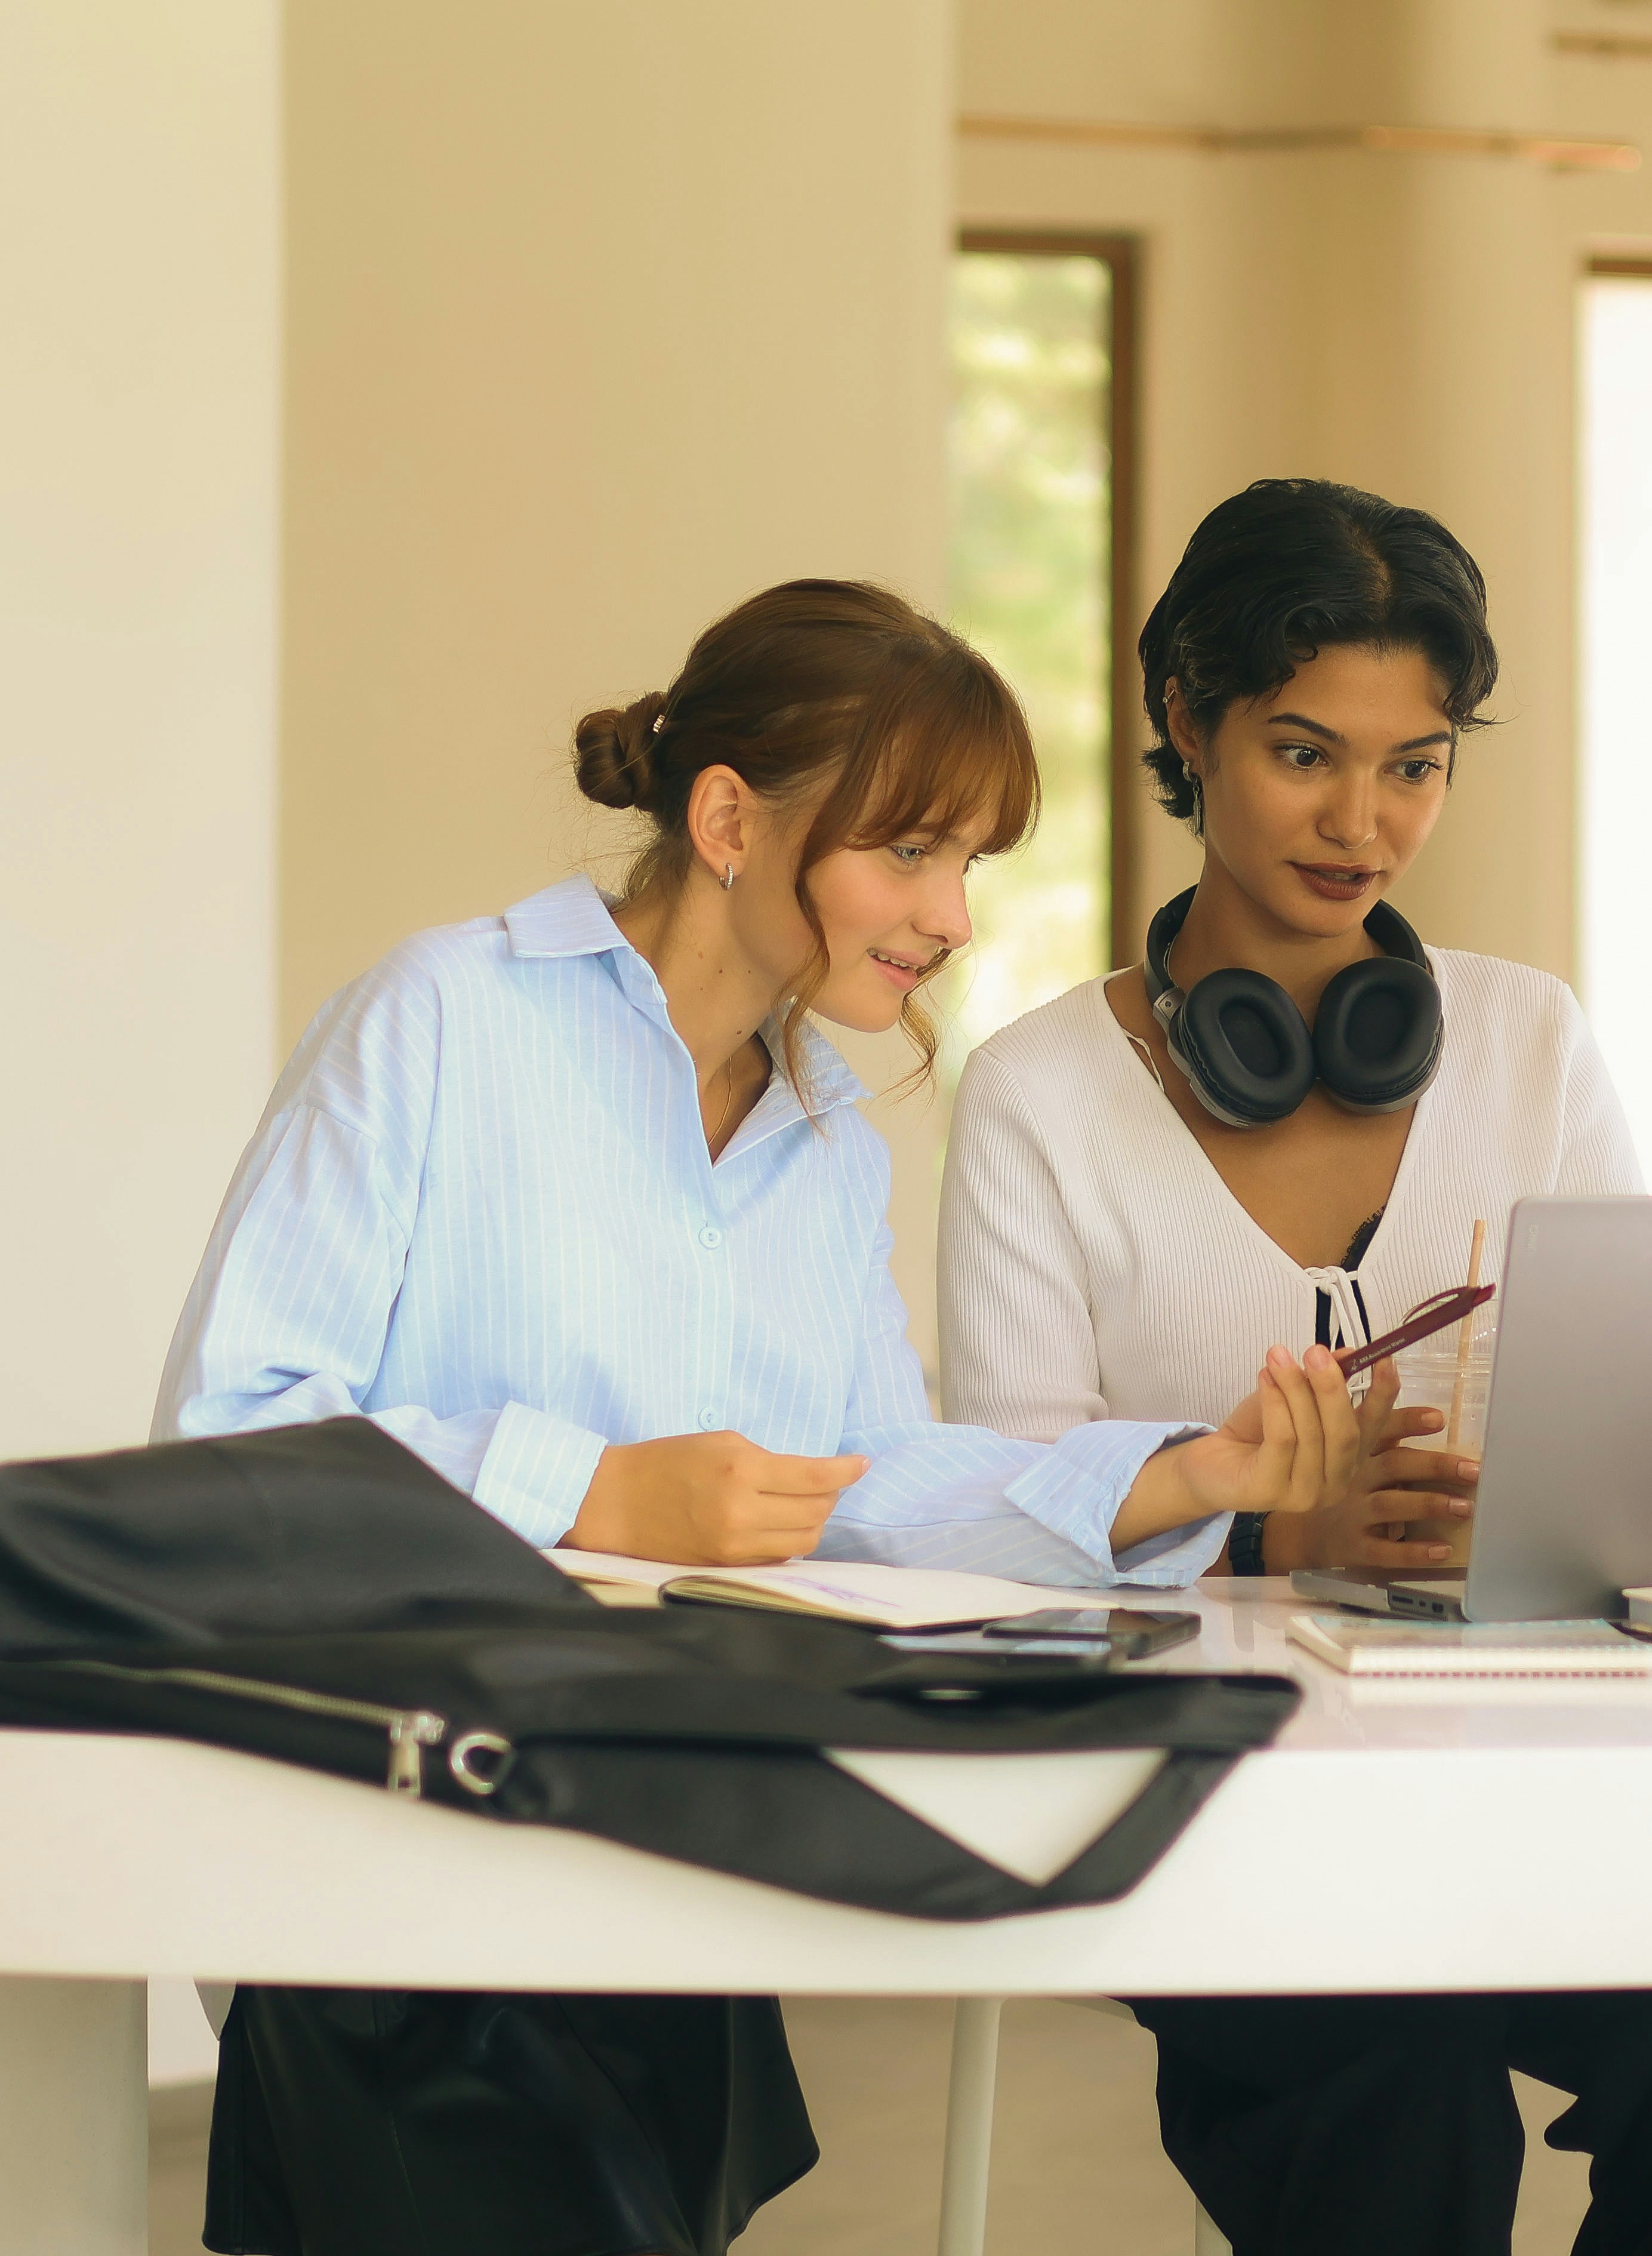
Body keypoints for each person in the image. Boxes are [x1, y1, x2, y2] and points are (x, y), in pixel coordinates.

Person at [153, 578, 1394, 2256]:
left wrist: (1178, 1476)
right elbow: (231, 1440)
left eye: (971, 865)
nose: (952, 915)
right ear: (731, 821)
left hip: (663, 1851)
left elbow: (866, 1488)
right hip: (403, 1854)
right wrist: (592, 1492)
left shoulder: (828, 1151)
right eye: (913, 854)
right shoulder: (443, 1020)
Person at [939, 482, 1652, 2256]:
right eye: (1307, 753)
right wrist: (1269, 1543)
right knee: (1391, 2081)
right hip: (1218, 1798)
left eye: (1416, 764)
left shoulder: (1530, 1038)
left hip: (1533, 1768)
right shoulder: (1040, 1095)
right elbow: (998, 1520)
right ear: (1187, 720)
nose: (1364, 822)